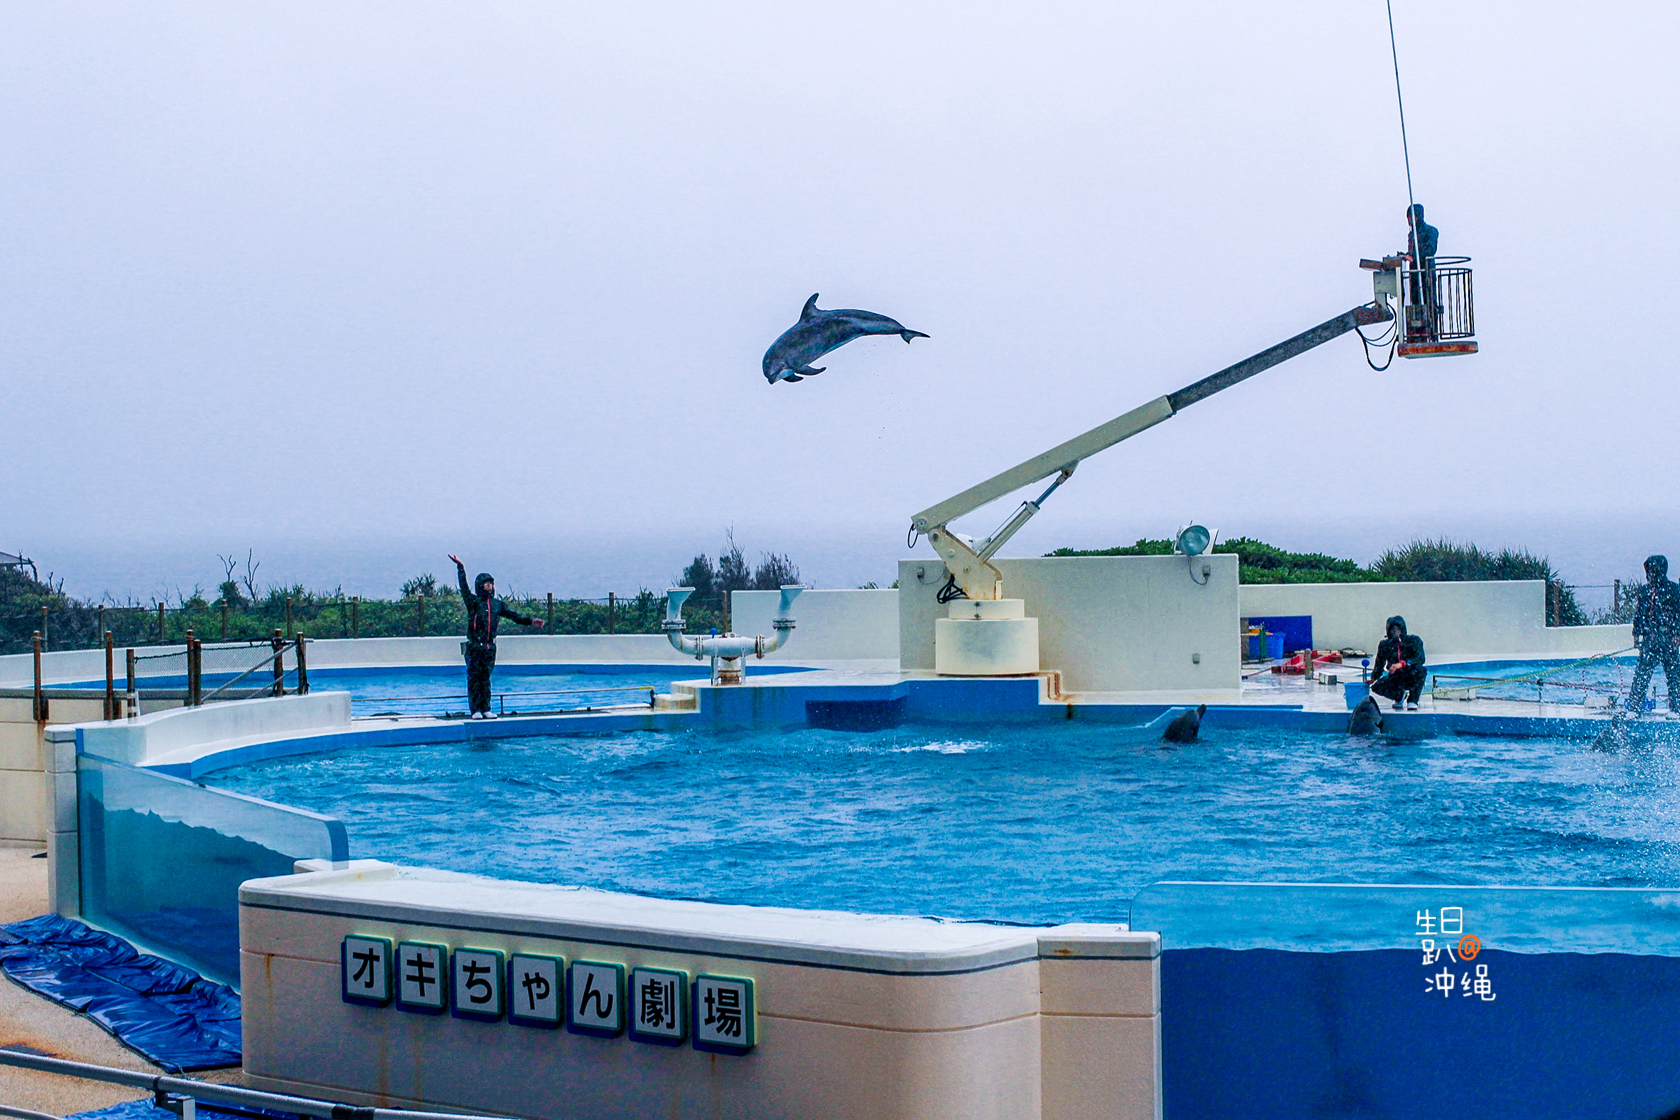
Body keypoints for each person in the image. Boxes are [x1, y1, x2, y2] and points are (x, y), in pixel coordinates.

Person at [450, 554, 545, 719]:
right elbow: (463, 588)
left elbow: (513, 615)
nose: (489, 585)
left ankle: (486, 708)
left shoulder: (497, 605)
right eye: (486, 583)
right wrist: (460, 568)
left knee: (485, 678)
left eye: (491, 583)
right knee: (474, 678)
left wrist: (531, 621)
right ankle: (475, 710)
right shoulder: (473, 602)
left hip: (489, 647)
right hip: (474, 646)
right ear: (480, 585)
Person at [1626, 554, 1680, 715]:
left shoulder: (1673, 589)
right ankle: (1635, 708)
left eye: (1653, 569)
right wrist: (1637, 634)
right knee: (1642, 674)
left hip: (1668, 639)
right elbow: (1640, 614)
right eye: (1648, 569)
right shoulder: (1645, 590)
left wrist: (1677, 633)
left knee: (1673, 675)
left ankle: (1676, 708)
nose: (1650, 572)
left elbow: (1678, 613)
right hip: (1650, 640)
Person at [1370, 615, 1426, 712]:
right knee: (1377, 687)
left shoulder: (1414, 641)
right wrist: (1373, 677)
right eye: (1393, 629)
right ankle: (1399, 696)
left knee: (1422, 671)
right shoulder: (1385, 644)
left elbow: (1420, 659)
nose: (1396, 632)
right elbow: (1379, 662)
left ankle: (1413, 700)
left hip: (1411, 674)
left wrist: (1403, 664)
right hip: (1396, 677)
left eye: (1398, 629)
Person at [1405, 203, 1441, 338]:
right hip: (1414, 273)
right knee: (1416, 302)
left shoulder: (1431, 231)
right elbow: (1412, 252)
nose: (1409, 221)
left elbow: (1430, 250)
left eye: (1410, 217)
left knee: (1429, 301)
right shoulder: (1412, 235)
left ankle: (1432, 332)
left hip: (1426, 273)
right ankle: (1419, 332)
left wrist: (1414, 257)